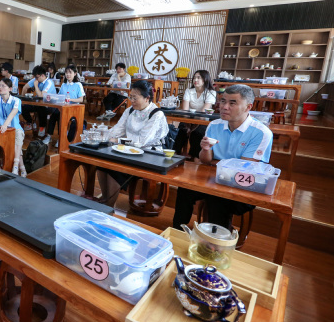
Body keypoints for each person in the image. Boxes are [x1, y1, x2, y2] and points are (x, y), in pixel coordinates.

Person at [172, 84, 273, 229]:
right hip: (214, 179)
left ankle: (216, 239)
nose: (224, 107)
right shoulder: (214, 125)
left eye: (232, 103)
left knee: (218, 198)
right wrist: (206, 150)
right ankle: (177, 231)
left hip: (243, 186)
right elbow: (205, 160)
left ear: (248, 107)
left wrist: (215, 162)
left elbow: (243, 169)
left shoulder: (261, 132)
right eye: (223, 101)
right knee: (185, 188)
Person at [96, 81, 169, 209]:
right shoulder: (130, 110)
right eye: (131, 97)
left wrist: (118, 141)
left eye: (135, 98)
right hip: (129, 150)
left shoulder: (156, 114)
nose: (132, 101)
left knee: (115, 168)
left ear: (147, 98)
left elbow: (141, 141)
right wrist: (102, 135)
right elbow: (117, 129)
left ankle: (108, 205)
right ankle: (106, 200)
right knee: (102, 163)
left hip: (149, 153)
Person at [173, 70, 217, 159]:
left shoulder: (211, 92)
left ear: (205, 79)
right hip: (189, 118)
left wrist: (193, 127)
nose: (195, 80)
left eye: (198, 78)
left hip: (203, 120)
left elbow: (203, 112)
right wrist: (188, 123)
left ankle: (194, 156)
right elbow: (185, 110)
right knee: (182, 129)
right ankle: (175, 153)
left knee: (197, 132)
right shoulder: (189, 91)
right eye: (194, 78)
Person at [0, 78, 26, 176]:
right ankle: (22, 168)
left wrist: (5, 124)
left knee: (18, 134)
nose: (0, 88)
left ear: (10, 88)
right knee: (16, 146)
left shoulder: (16, 100)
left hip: (15, 128)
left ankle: (15, 165)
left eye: (3, 86)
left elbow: (13, 112)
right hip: (1, 130)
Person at [44, 64, 85, 145]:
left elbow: (81, 99)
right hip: (63, 107)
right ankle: (49, 136)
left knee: (61, 116)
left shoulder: (78, 85)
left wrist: (70, 99)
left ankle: (61, 138)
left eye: (70, 72)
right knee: (54, 114)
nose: (68, 74)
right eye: (66, 72)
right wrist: (53, 98)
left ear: (75, 73)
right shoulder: (64, 84)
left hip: (73, 108)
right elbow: (60, 96)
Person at [21, 65, 55, 137]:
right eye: (35, 77)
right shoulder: (36, 79)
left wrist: (36, 86)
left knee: (41, 108)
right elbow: (25, 87)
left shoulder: (49, 82)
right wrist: (23, 99)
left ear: (42, 75)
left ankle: (42, 127)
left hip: (50, 105)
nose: (35, 79)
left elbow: (41, 96)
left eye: (37, 77)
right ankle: (31, 123)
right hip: (38, 103)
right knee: (22, 107)